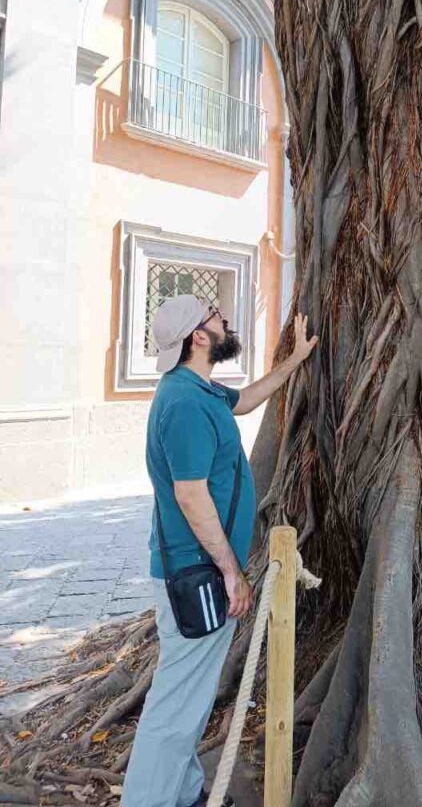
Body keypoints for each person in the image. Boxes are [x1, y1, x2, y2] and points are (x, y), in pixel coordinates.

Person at [121, 294, 317, 807]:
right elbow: (190, 494)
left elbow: (246, 400)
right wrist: (231, 572)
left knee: (187, 698)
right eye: (214, 315)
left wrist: (294, 362)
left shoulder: (198, 390)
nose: (224, 319)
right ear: (199, 336)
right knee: (175, 707)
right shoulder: (183, 403)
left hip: (196, 569)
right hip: (197, 572)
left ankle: (184, 794)